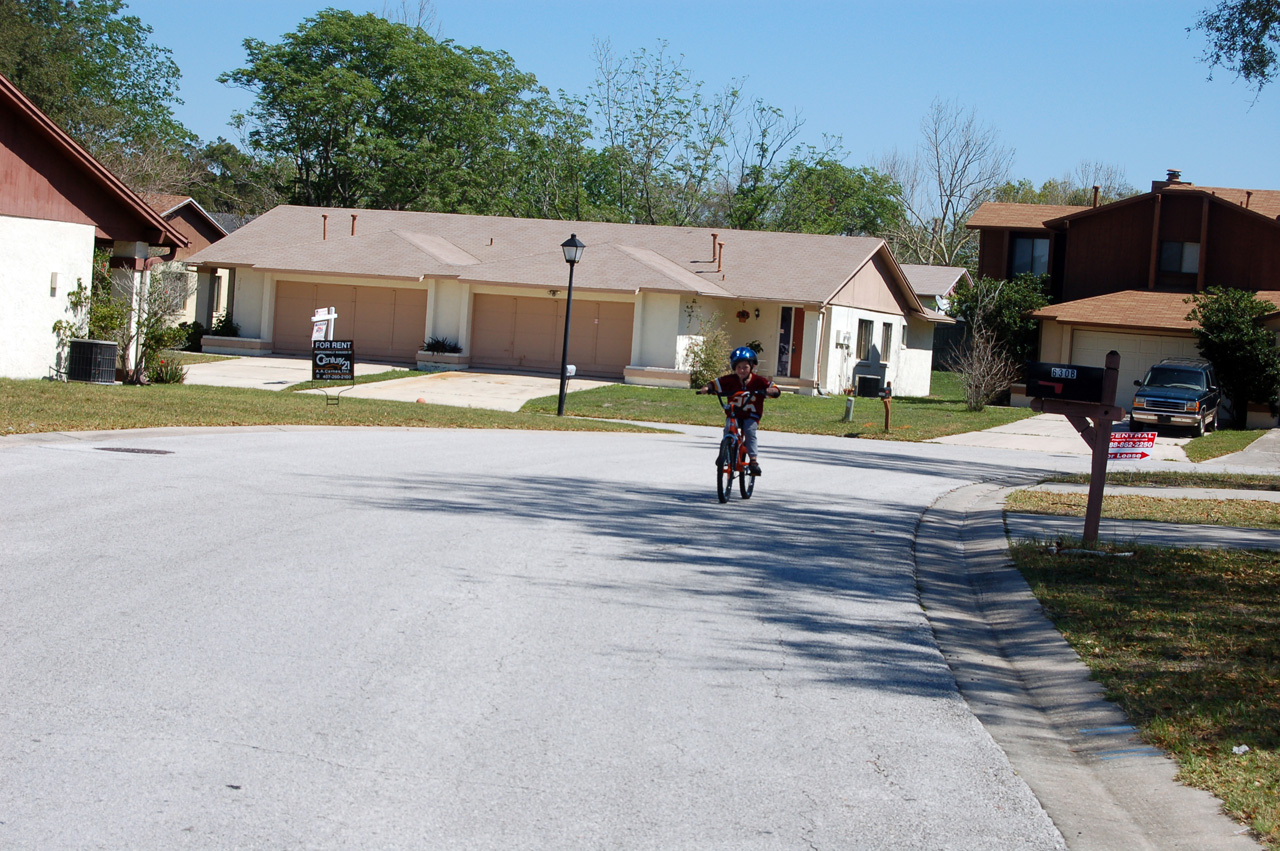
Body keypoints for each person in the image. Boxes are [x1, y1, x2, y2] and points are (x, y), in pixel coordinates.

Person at [696, 346, 781, 476]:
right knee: (728, 429)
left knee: (749, 430)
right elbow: (714, 383)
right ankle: (725, 453)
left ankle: (753, 461)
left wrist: (772, 391)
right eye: (738, 367)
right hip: (734, 413)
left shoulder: (758, 381)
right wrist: (707, 388)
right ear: (734, 368)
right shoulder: (730, 380)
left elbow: (773, 388)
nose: (742, 370)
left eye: (745, 367)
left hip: (751, 414)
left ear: (752, 367)